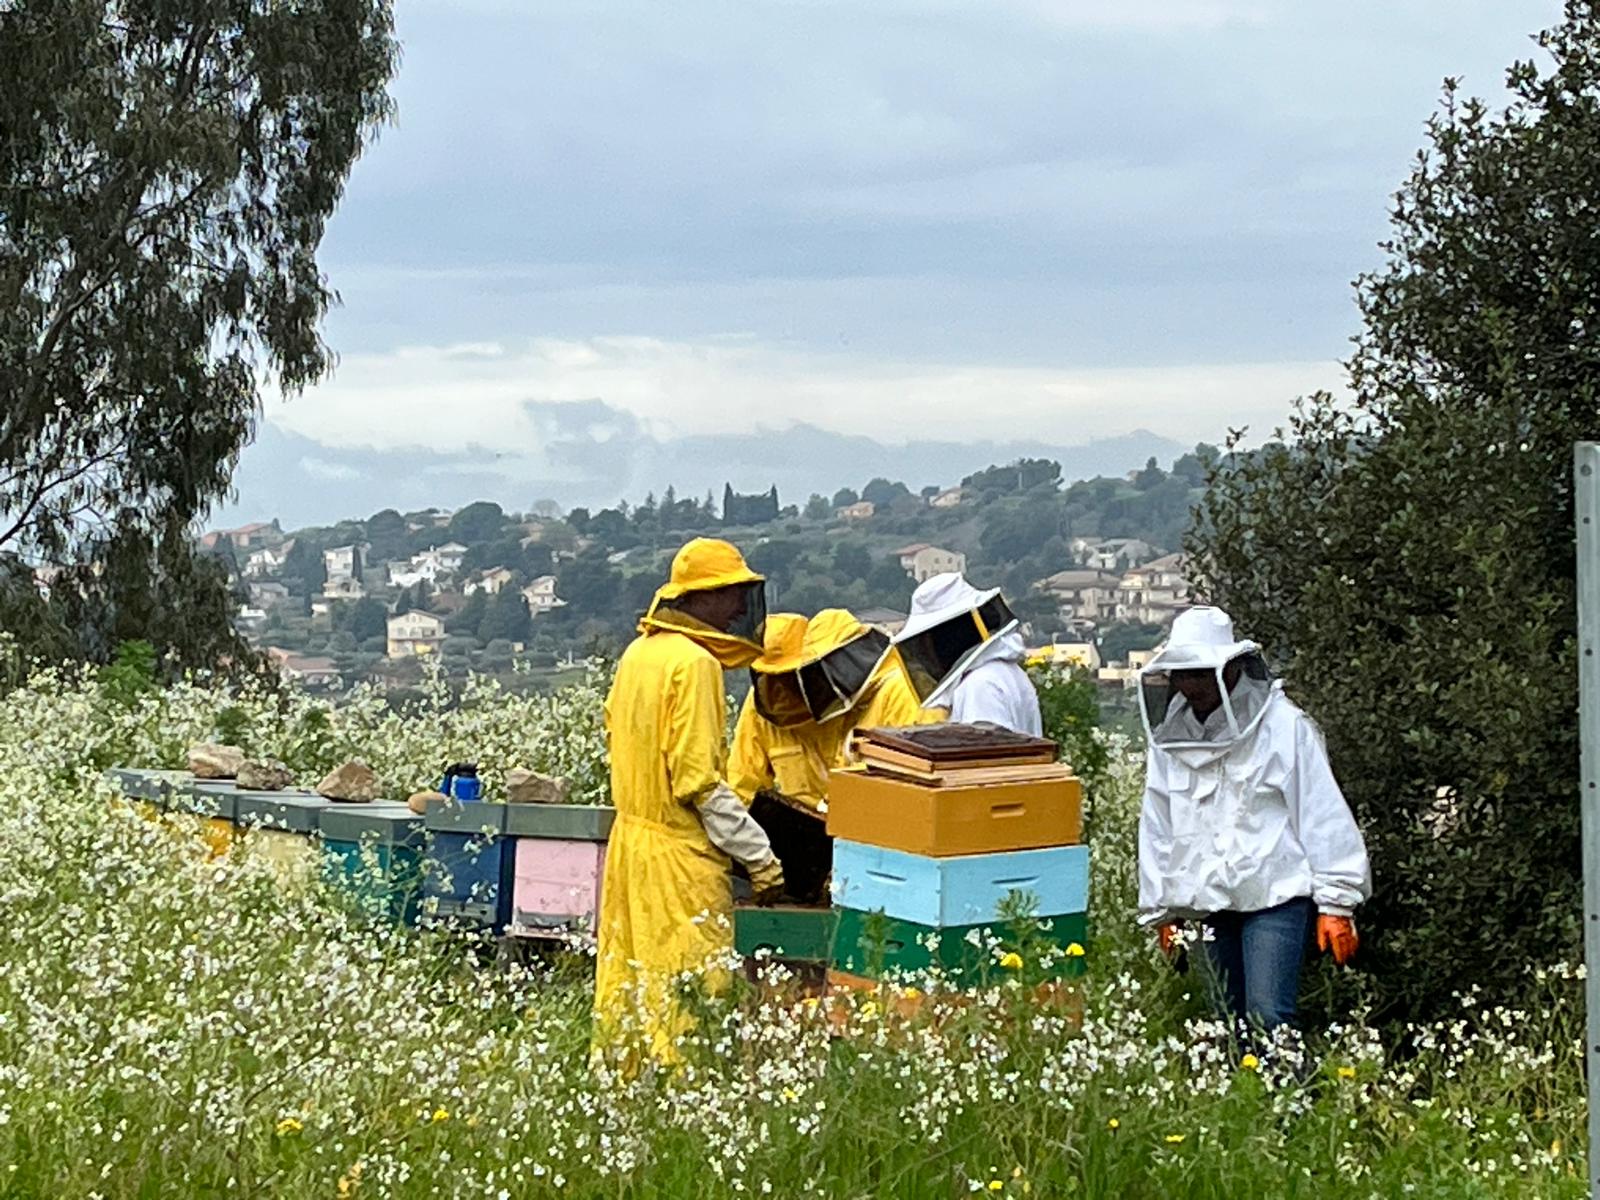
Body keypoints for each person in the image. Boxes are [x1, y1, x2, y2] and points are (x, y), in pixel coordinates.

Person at [593, 537, 785, 1061]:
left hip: (630, 846)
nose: (740, 608)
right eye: (730, 593)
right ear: (700, 598)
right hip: (678, 857)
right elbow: (699, 783)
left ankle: (625, 1085)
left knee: (631, 980)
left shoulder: (638, 654)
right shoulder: (694, 664)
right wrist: (759, 857)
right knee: (690, 985)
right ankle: (687, 1086)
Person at [1137, 606, 1371, 1033]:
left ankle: (1287, 1079)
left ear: (1230, 669)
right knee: (1224, 1022)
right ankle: (1246, 1081)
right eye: (1183, 675)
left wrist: (1337, 902)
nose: (1191, 686)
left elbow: (1320, 812)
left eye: (1201, 673)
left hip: (1275, 896)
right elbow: (1158, 823)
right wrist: (1163, 910)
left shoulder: (1284, 726)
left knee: (1269, 1016)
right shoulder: (1170, 739)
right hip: (1206, 902)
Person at [728, 608, 938, 899]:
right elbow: (741, 788)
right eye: (770, 679)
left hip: (883, 858)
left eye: (790, 678)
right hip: (804, 862)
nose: (781, 691)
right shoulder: (768, 704)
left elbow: (916, 797)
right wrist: (748, 856)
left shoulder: (901, 695)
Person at [892, 573, 1042, 735]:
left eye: (930, 641)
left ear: (948, 635)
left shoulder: (979, 686)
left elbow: (985, 748)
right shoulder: (1005, 673)